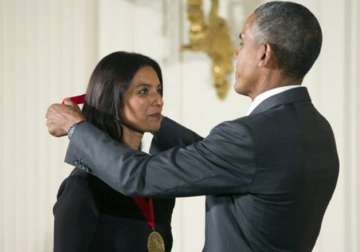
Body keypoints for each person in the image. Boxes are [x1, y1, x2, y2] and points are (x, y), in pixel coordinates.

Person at [46, 2, 339, 251]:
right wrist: (154, 122)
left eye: (241, 42)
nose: (235, 53)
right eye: (143, 92)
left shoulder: (247, 139)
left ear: (264, 54)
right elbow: (220, 158)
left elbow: (139, 176)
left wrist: (76, 127)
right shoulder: (319, 132)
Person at [52, 51, 176, 252]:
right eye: (143, 91)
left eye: (158, 90)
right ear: (113, 99)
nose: (158, 100)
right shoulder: (82, 187)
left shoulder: (158, 183)